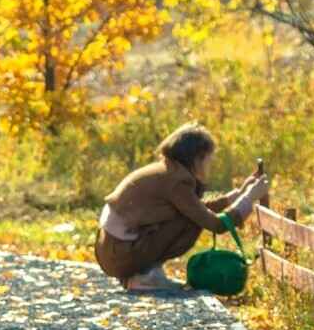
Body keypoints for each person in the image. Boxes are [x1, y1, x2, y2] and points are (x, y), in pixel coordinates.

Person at [95, 123, 270, 291]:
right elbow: (215, 224)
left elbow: (194, 208)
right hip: (120, 255)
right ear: (197, 158)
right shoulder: (177, 181)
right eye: (209, 159)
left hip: (113, 250)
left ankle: (142, 275)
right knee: (192, 222)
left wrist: (238, 195)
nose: (210, 164)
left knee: (189, 217)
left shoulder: (168, 170)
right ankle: (144, 276)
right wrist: (249, 198)